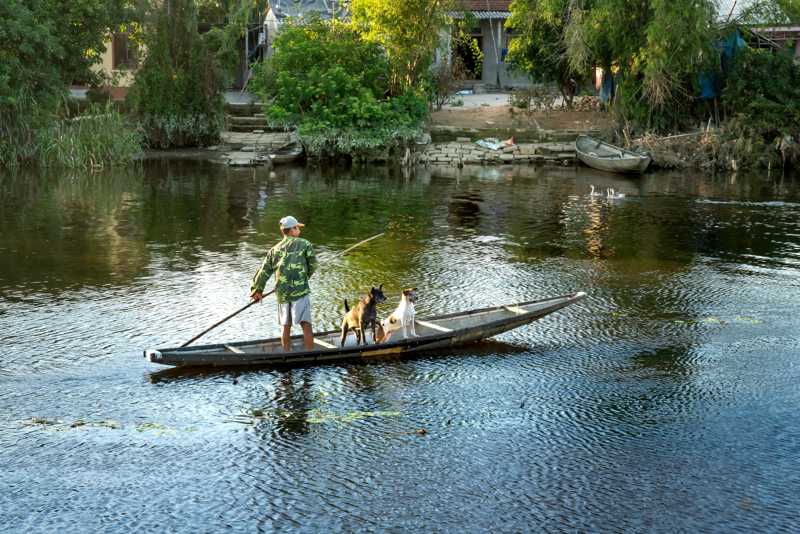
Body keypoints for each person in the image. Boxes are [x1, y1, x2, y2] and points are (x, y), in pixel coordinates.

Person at [250, 215, 317, 351]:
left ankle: (286, 353)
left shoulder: (274, 249)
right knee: (306, 324)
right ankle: (310, 353)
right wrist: (305, 277)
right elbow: (313, 265)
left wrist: (257, 290)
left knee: (285, 326)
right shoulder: (305, 244)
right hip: (300, 292)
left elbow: (264, 271)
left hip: (282, 293)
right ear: (291, 230)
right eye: (297, 227)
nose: (299, 230)